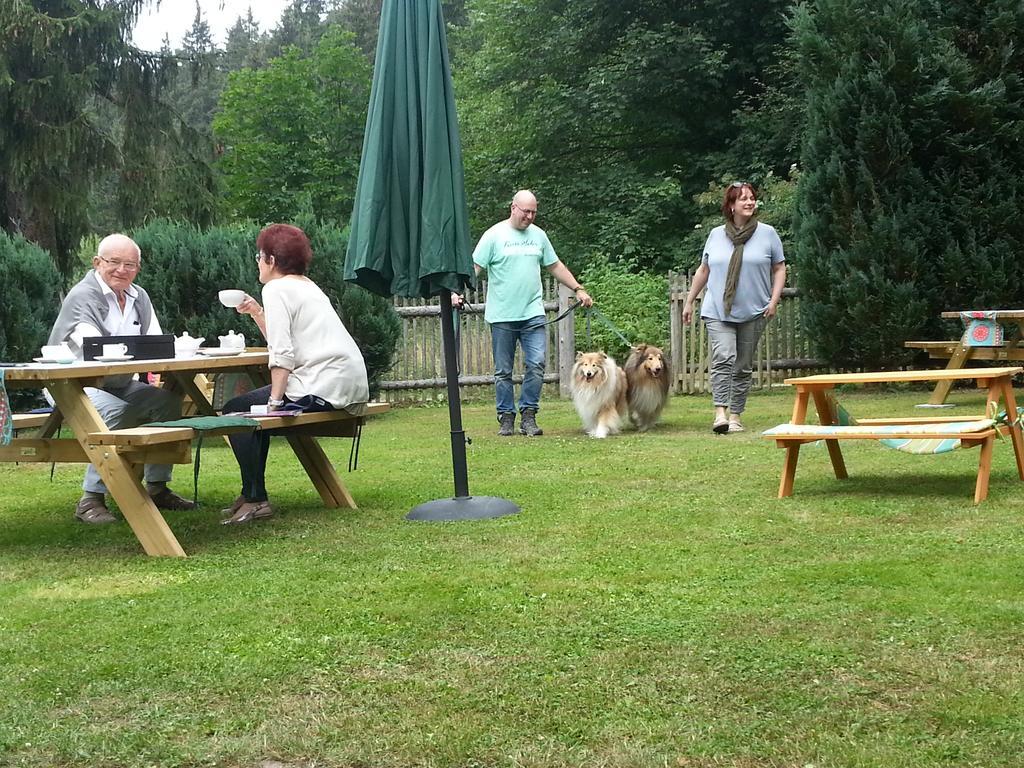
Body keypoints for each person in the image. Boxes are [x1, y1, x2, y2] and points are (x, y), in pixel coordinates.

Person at [223, 223, 369, 525]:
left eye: (259, 256)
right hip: (346, 383)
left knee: (236, 412)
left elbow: (283, 356)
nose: (257, 262)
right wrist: (257, 313)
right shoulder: (304, 285)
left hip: (322, 385)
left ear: (271, 260)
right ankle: (251, 492)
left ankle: (255, 497)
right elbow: (286, 341)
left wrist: (274, 403)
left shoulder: (275, 288)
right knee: (246, 410)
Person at [47, 233, 197, 523]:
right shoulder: (83, 295)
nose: (122, 270)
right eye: (114, 262)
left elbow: (154, 341)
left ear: (138, 268)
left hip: (119, 382)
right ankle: (91, 498)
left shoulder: (139, 296)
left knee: (166, 404)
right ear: (97, 262)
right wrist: (138, 350)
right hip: (71, 385)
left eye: (130, 264)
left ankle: (157, 487)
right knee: (118, 412)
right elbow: (93, 349)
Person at [458, 190, 593, 437]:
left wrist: (578, 288)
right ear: (513, 208)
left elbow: (555, 265)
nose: (530, 217)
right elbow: (474, 267)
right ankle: (506, 417)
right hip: (501, 316)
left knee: (537, 363)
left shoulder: (539, 236)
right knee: (503, 371)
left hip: (533, 313)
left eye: (533, 212)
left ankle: (528, 415)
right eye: (526, 211)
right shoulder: (493, 236)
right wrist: (457, 292)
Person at [682, 182, 786, 434]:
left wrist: (773, 301)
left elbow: (779, 268)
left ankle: (736, 415)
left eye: (752, 198)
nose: (750, 203)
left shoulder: (768, 233)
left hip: (754, 310)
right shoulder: (716, 235)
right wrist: (689, 300)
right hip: (718, 309)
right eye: (743, 199)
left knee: (742, 365)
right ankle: (720, 413)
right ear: (731, 205)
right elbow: (704, 270)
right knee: (723, 356)